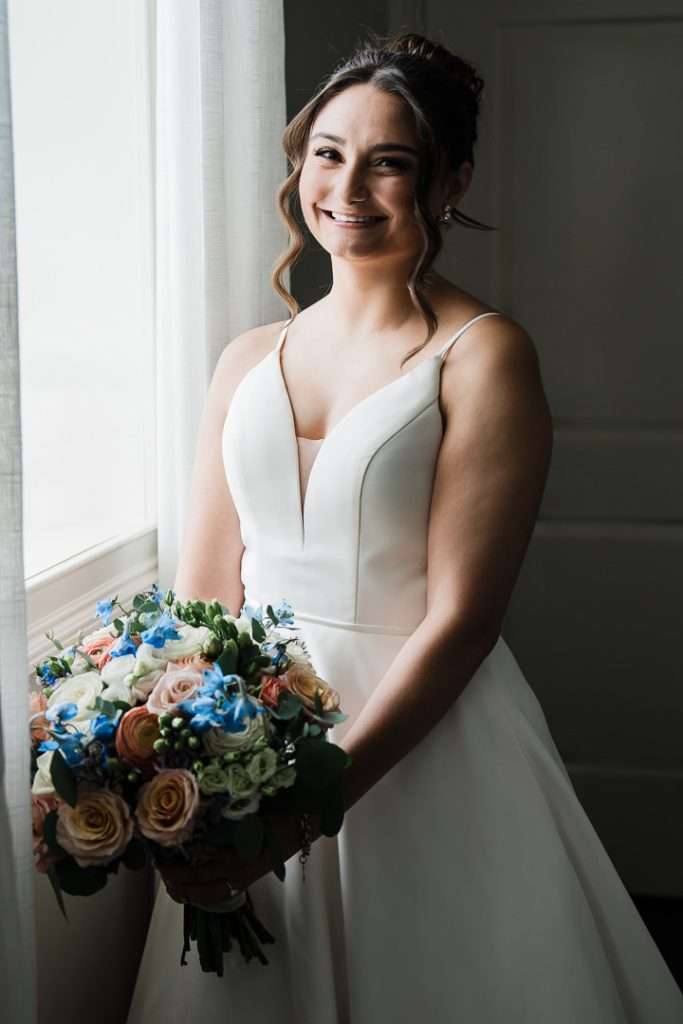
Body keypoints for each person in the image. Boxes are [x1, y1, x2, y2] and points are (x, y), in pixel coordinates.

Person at [127, 31, 683, 1023]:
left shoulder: (483, 356)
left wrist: (308, 809)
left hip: (421, 748)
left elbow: (463, 620)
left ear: (449, 180)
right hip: (246, 743)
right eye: (328, 152)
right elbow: (204, 596)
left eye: (387, 161)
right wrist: (183, 770)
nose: (347, 187)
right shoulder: (244, 359)